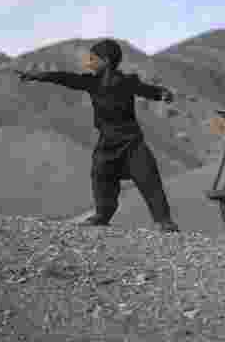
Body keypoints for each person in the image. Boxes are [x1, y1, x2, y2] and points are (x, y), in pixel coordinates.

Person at [15, 39, 180, 232]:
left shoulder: (127, 82)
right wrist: (39, 76)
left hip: (132, 142)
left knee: (148, 178)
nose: (89, 63)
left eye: (93, 59)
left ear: (107, 61)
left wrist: (162, 93)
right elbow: (65, 78)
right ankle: (102, 215)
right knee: (101, 177)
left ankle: (164, 221)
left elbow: (147, 90)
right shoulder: (91, 83)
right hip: (107, 144)